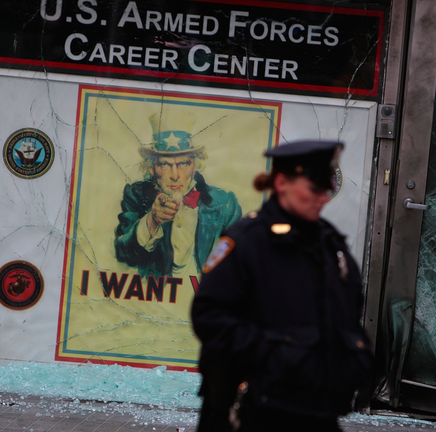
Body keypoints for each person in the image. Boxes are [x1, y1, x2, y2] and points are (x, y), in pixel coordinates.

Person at [191, 140, 374, 432]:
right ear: (281, 183)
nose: (322, 199)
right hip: (252, 412)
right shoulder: (247, 241)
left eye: (326, 190)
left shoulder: (330, 246)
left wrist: (357, 362)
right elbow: (209, 317)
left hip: (316, 412)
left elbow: (348, 317)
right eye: (313, 189)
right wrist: (277, 357)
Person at [114, 114, 242, 279]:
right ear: (152, 168)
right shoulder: (136, 195)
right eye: (165, 165)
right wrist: (152, 221)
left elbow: (238, 263)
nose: (175, 175)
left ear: (194, 166)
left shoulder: (224, 203)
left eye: (182, 164)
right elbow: (123, 253)